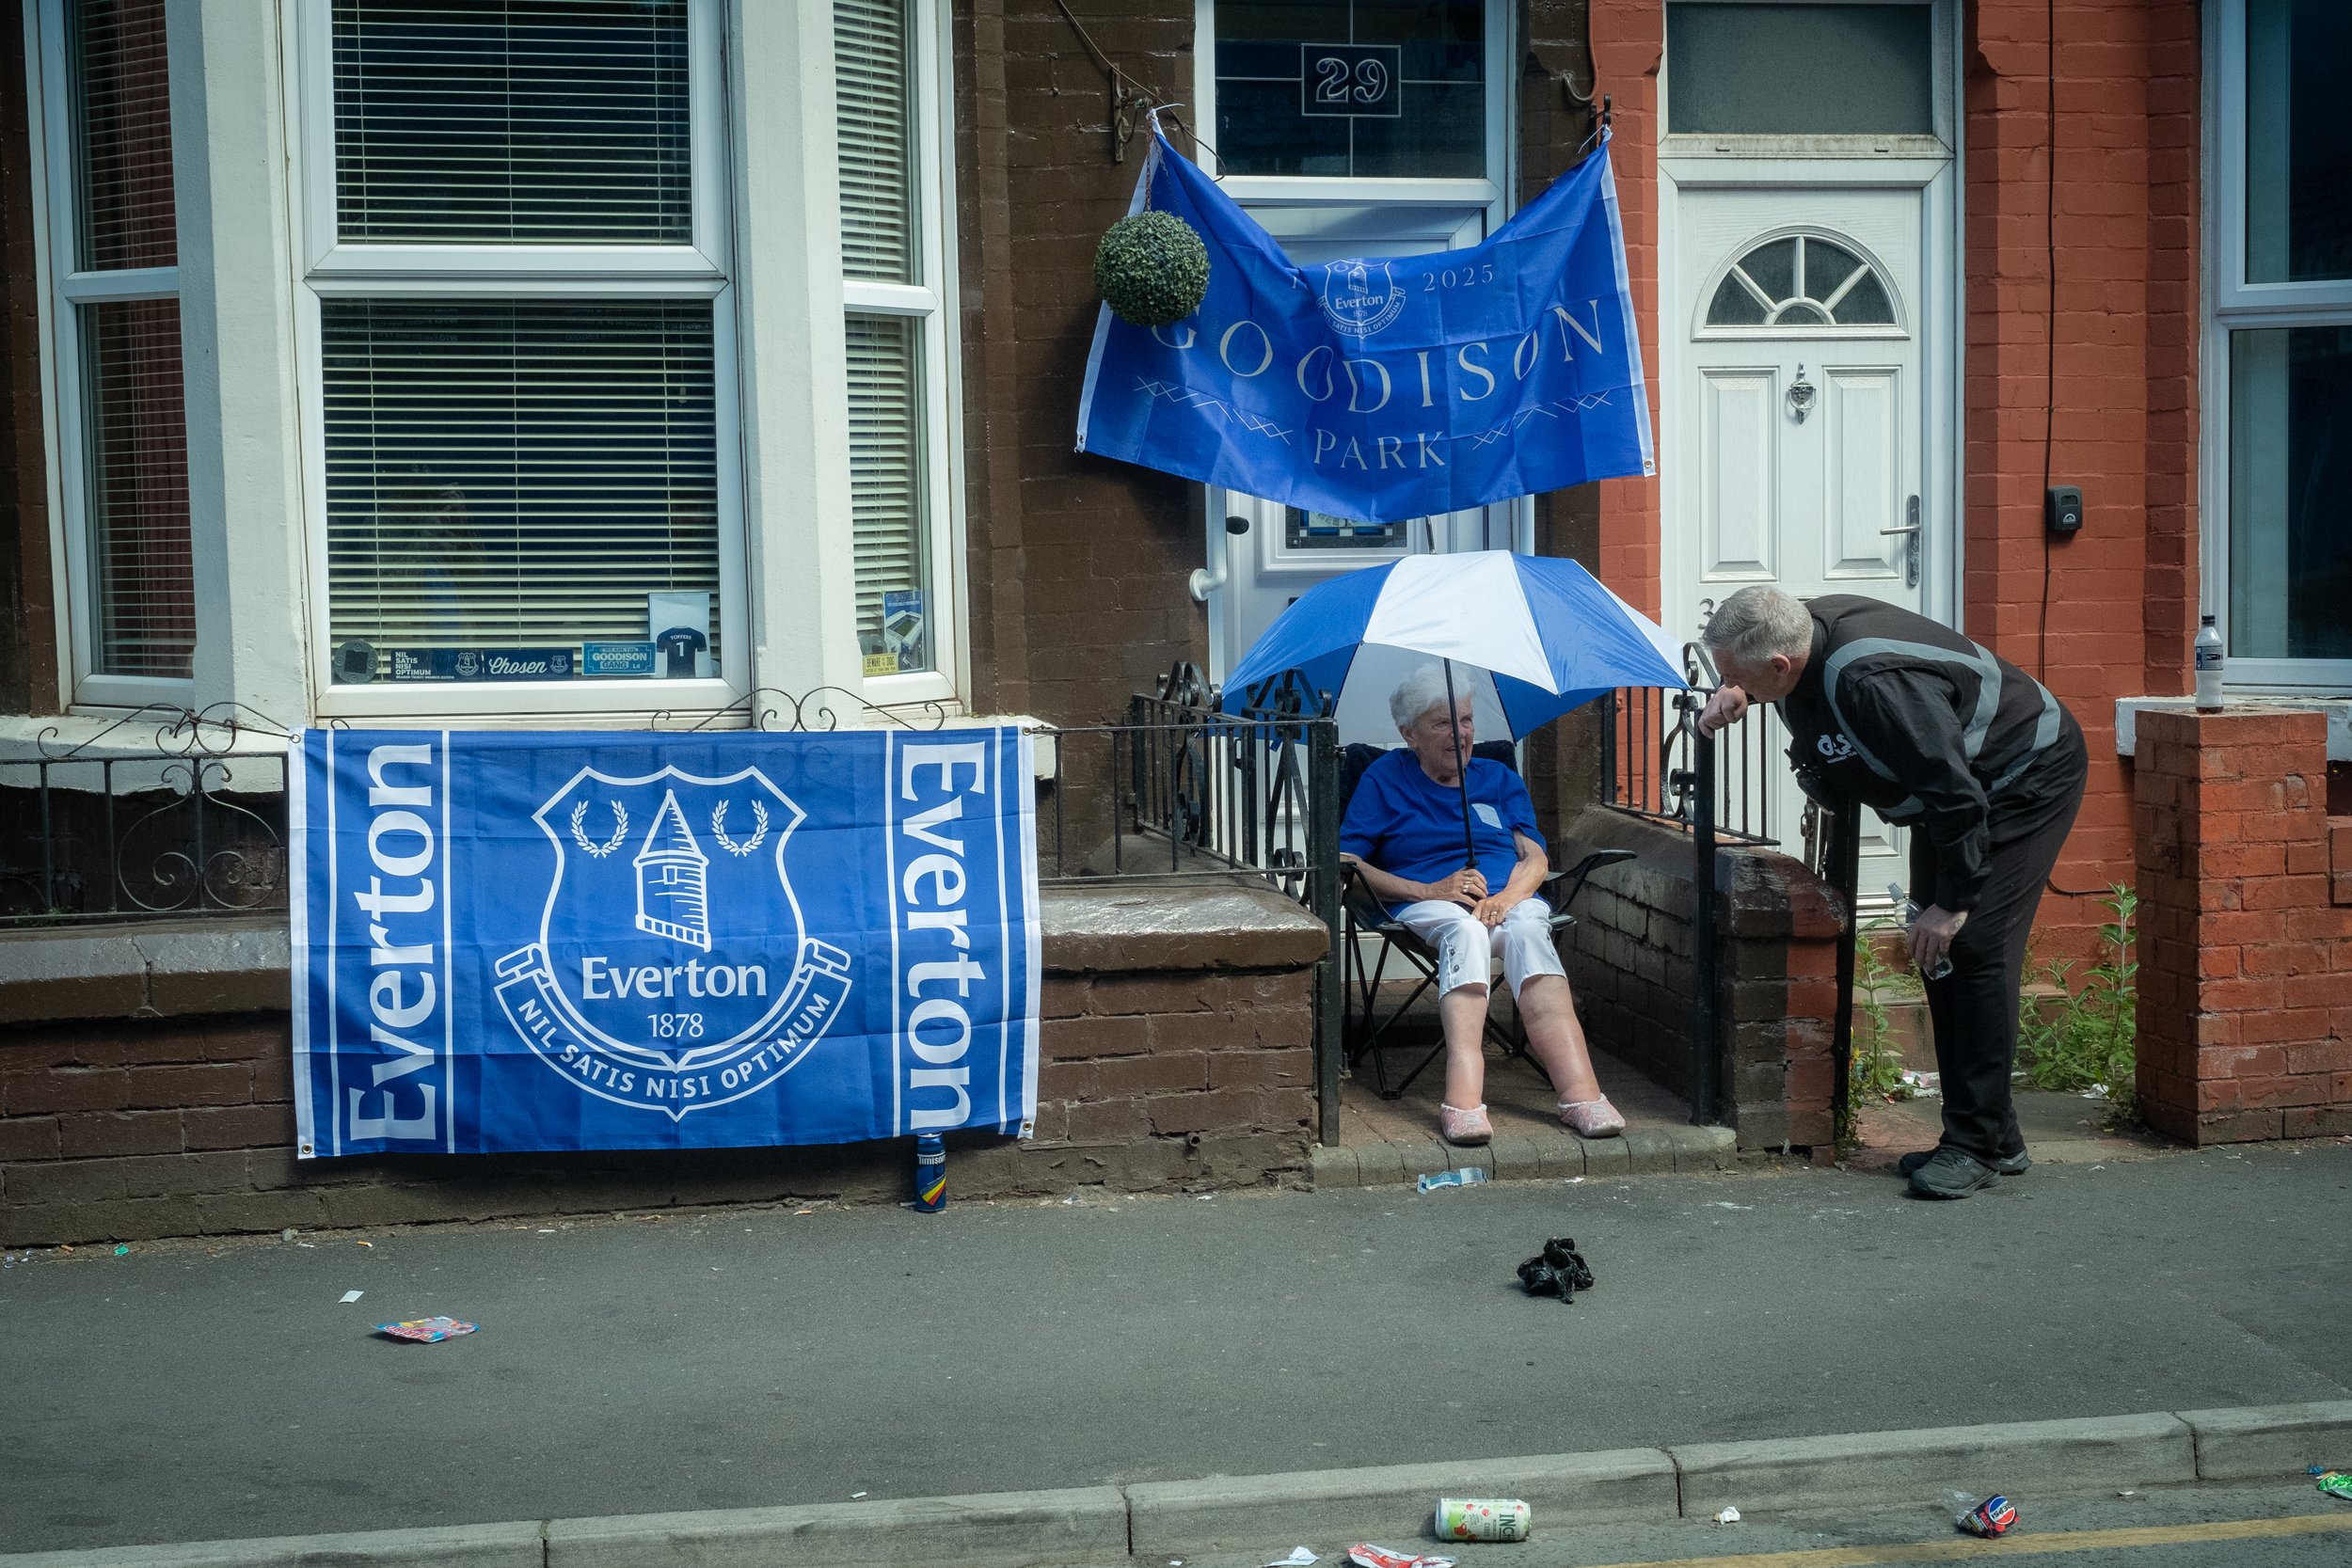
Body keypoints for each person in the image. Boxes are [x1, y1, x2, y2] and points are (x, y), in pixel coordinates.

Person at [1696, 587, 2088, 1198]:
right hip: (1957, 793)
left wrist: (1953, 903)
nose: (1723, 683)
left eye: (1731, 674)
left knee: (1975, 946)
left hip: (2021, 778)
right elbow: (1768, 642)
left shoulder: (1873, 683)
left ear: (1780, 667)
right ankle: (1993, 1133)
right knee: (1937, 954)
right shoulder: (1794, 633)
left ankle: (1975, 1147)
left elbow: (1957, 795)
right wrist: (1741, 692)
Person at [1339, 665, 1623, 1146]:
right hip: (1427, 903)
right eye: (1443, 723)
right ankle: (1463, 1103)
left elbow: (1534, 856)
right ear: (1408, 733)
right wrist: (1428, 890)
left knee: (1530, 929)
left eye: (1466, 720)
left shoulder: (1497, 778)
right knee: (1465, 932)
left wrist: (1507, 898)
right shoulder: (1383, 778)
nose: (1461, 733)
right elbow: (1345, 860)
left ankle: (1582, 1097)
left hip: (1506, 898)